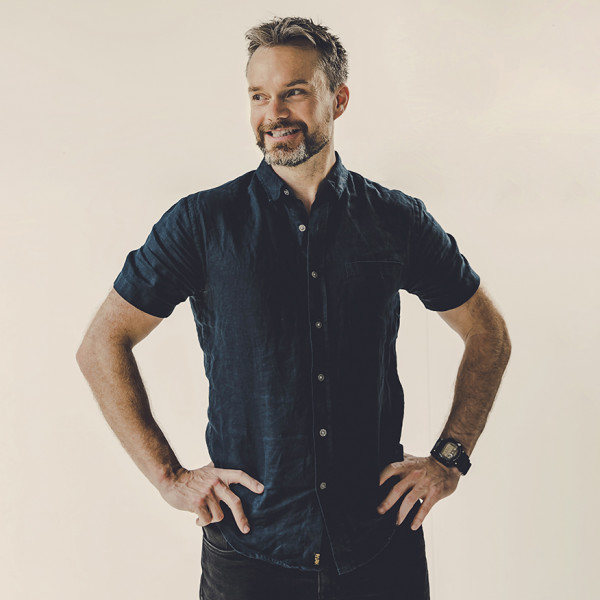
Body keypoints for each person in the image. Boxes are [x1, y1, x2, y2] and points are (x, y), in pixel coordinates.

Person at [76, 16, 511, 600]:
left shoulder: (396, 221)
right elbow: (101, 343)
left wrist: (449, 459)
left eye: (294, 92)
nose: (273, 113)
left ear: (339, 99)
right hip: (250, 550)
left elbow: (489, 334)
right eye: (259, 96)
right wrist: (169, 477)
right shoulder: (202, 224)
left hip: (378, 545)